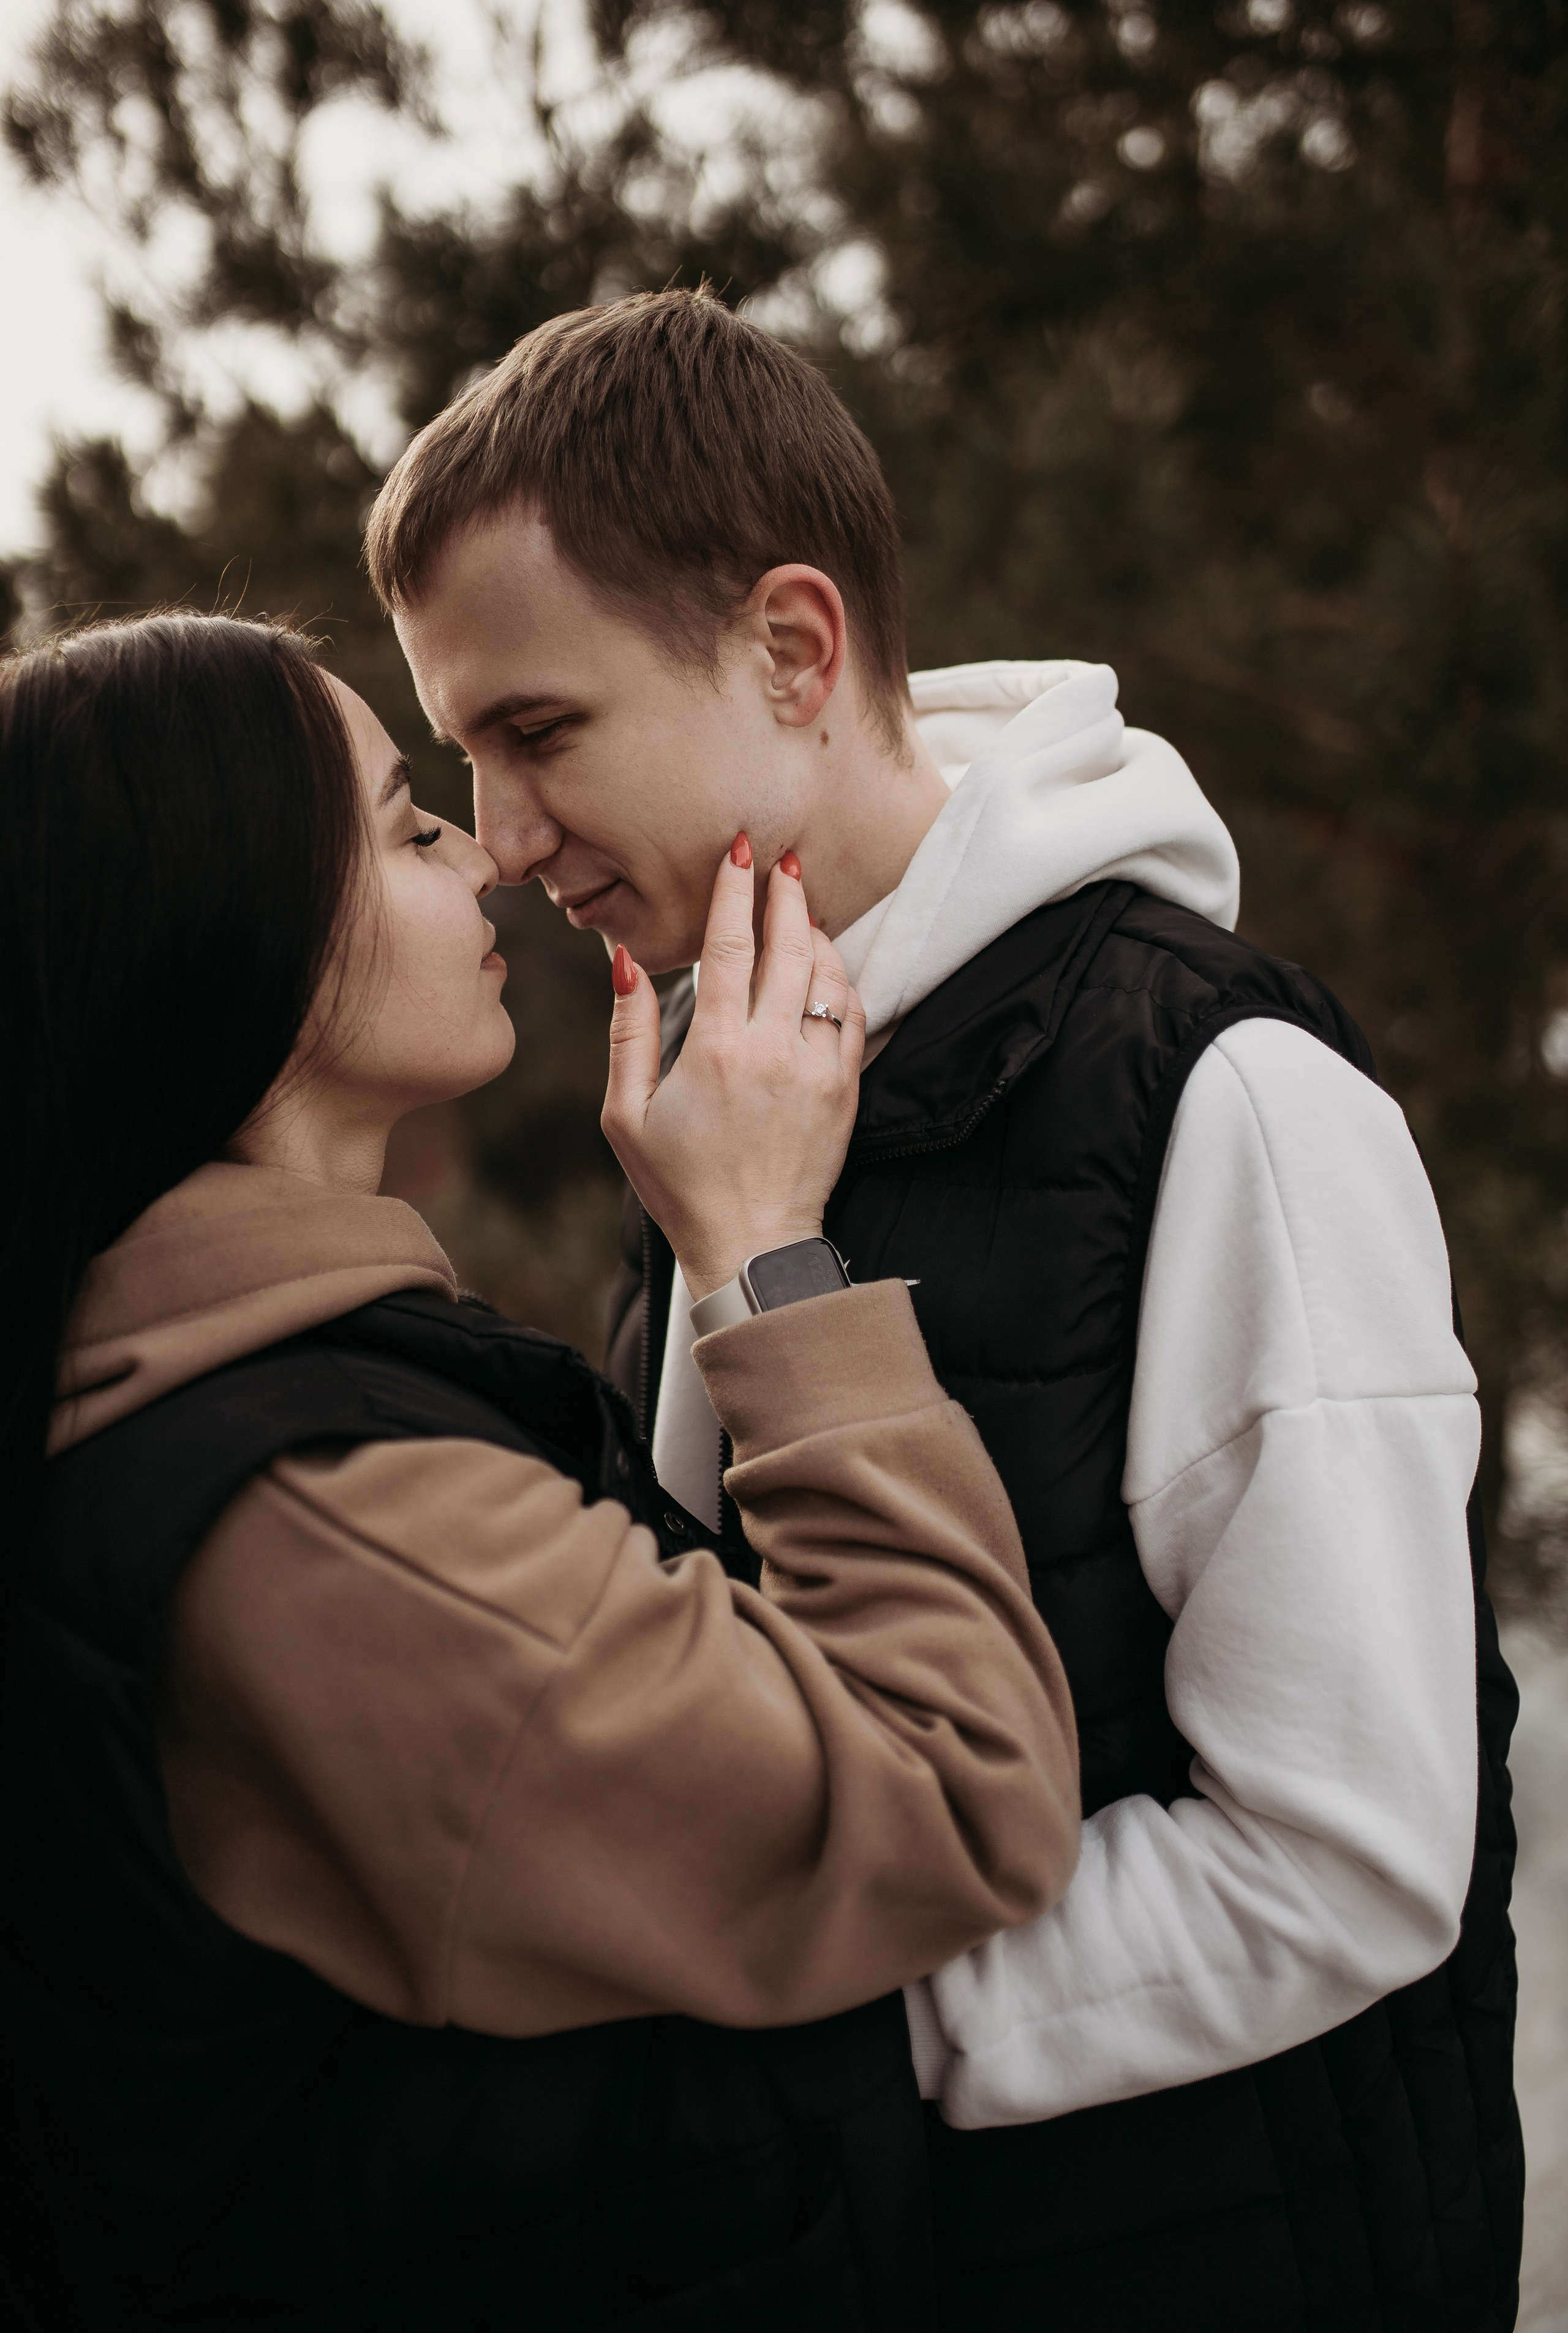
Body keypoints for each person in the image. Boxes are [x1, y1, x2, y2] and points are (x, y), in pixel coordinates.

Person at [369, 284, 1524, 2331]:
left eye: (539, 732)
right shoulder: (735, 1082)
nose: (509, 837)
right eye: (467, 757)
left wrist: (764, 2052)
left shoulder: (1227, 1098)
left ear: (793, 649)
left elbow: (1348, 1858)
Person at [0, 611, 1083, 2331]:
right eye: (411, 826)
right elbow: (951, 1797)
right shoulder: (320, 1525)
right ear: (242, 931)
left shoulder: (223, 1401)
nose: (494, 860)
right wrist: (766, 1253)